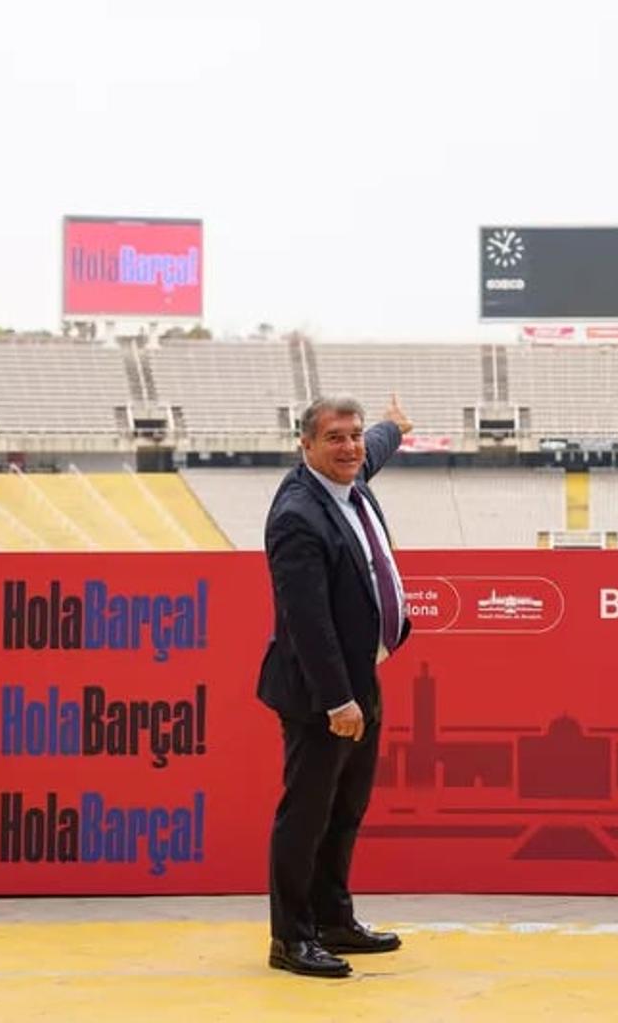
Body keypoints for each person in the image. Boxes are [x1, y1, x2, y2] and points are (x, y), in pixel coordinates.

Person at [257, 392, 415, 978]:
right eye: (334, 438)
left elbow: (370, 449)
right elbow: (308, 622)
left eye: (354, 435)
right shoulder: (298, 515)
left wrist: (392, 428)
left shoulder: (349, 477)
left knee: (346, 808)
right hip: (321, 694)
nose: (350, 447)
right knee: (307, 815)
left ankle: (333, 920)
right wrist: (338, 701)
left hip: (359, 679)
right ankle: (292, 938)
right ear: (305, 446)